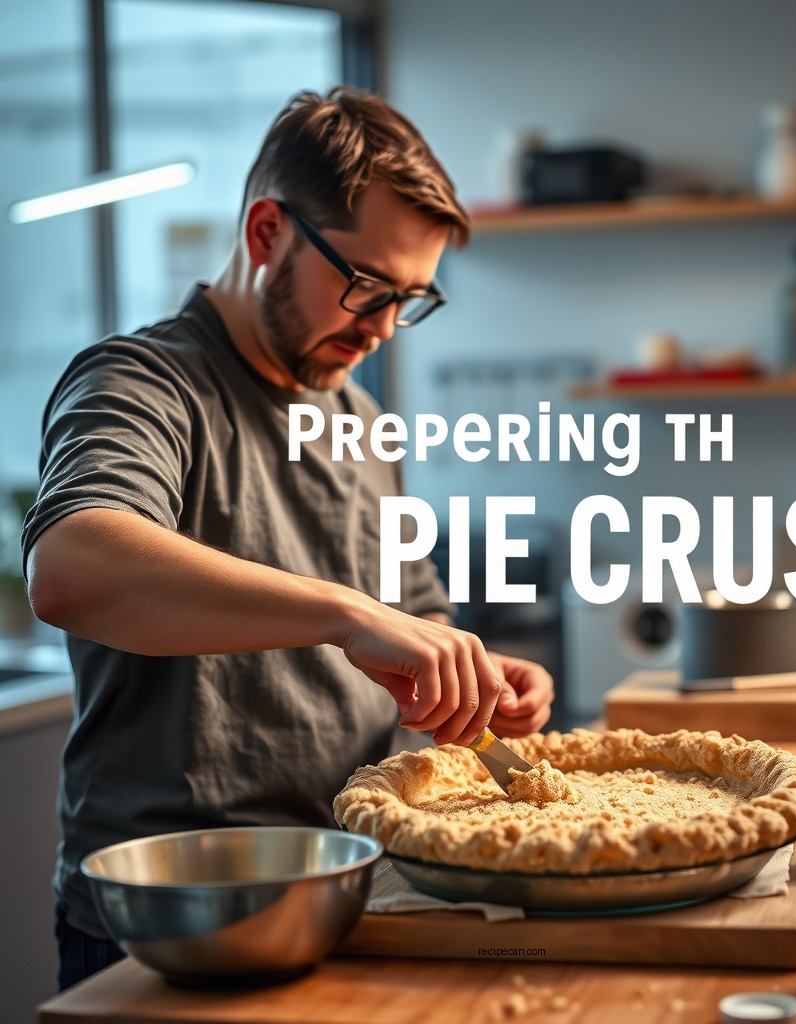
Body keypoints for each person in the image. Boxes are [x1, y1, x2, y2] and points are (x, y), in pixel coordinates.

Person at [21, 86, 555, 990]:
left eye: (411, 300)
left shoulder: (360, 417)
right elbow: (70, 564)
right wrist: (344, 614)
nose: (384, 326)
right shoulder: (144, 382)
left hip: (353, 887)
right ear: (267, 232)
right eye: (366, 285)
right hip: (172, 921)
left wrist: (476, 677)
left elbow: (412, 620)